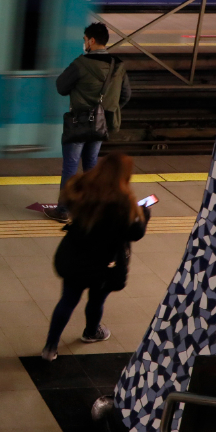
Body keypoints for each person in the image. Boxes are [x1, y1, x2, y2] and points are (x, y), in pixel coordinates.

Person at [41, 153, 149, 361]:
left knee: (68, 300)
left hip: (74, 257)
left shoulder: (81, 188)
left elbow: (67, 201)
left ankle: (50, 347)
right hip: (104, 264)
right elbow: (135, 233)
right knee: (97, 300)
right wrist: (144, 216)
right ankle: (91, 332)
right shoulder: (124, 202)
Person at [45, 22, 132, 223]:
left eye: (85, 39)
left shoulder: (81, 64)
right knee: (92, 166)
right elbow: (126, 95)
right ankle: (90, 208)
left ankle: (63, 210)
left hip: (78, 123)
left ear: (91, 41)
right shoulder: (118, 65)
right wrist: (106, 110)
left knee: (70, 167)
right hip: (100, 126)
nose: (84, 43)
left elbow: (61, 87)